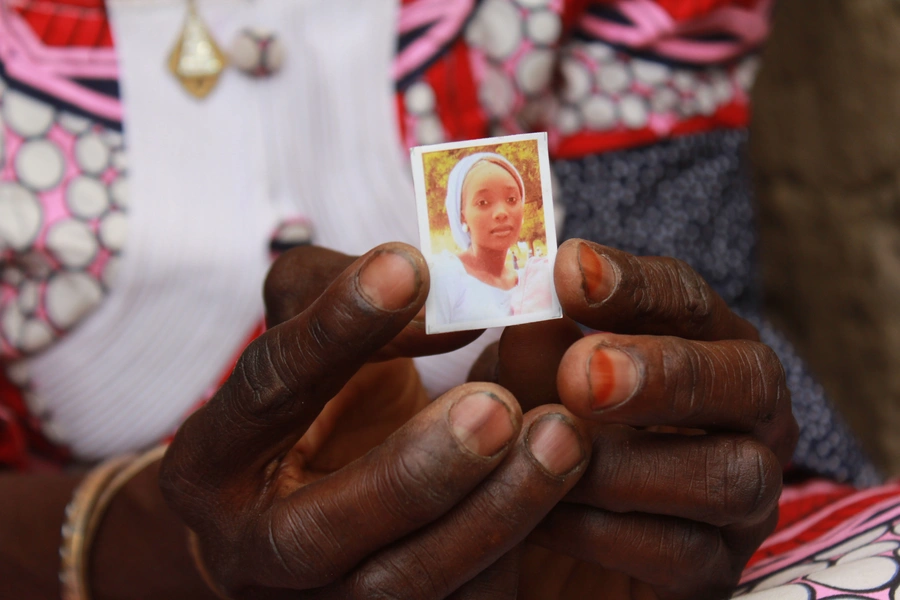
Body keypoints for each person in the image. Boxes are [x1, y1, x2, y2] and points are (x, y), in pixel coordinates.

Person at [0, 0, 890, 599]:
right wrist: (144, 541)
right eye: (486, 203)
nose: (504, 216)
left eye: (509, 201)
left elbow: (684, 315)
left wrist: (682, 454)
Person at [428, 152, 554, 328]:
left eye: (511, 199)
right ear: (462, 216)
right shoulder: (445, 275)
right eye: (483, 203)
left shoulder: (529, 281)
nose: (502, 213)